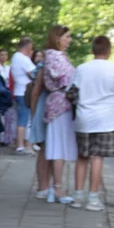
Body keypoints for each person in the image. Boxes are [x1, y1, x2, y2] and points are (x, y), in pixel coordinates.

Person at [70, 35, 114, 211]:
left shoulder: (81, 69)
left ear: (93, 50)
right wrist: (113, 110)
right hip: (106, 121)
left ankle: (77, 196)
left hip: (84, 118)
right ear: (109, 51)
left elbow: (72, 92)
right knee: (97, 158)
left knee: (82, 157)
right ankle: (93, 198)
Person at [42, 25, 78, 204]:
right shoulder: (54, 56)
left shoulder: (54, 56)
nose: (69, 40)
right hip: (60, 105)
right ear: (58, 38)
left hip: (60, 104)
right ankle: (57, 187)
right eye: (67, 37)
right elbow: (65, 79)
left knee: (59, 147)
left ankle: (56, 186)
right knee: (59, 148)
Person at [28, 47, 52, 196]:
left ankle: (45, 184)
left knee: (50, 148)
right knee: (44, 148)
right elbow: (36, 91)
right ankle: (42, 186)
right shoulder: (43, 67)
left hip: (49, 107)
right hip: (43, 108)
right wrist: (33, 112)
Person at [9, 37, 36, 154]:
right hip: (24, 92)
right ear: (28, 46)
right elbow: (33, 74)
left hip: (19, 91)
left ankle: (22, 144)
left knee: (23, 119)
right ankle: (21, 146)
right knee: (24, 120)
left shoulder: (16, 57)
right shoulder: (22, 58)